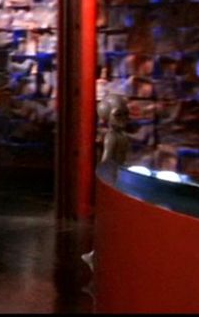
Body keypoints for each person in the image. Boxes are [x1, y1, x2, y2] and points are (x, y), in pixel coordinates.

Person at [81, 93, 130, 273]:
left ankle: (101, 254)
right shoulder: (115, 137)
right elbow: (108, 159)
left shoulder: (118, 137)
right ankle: (97, 255)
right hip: (115, 179)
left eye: (125, 114)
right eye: (119, 114)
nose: (124, 118)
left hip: (117, 179)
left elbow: (110, 159)